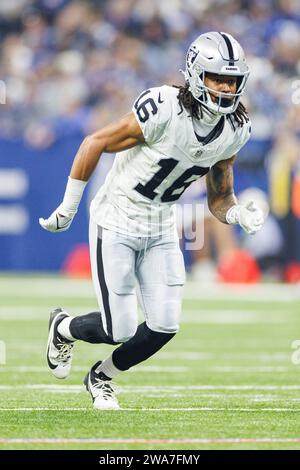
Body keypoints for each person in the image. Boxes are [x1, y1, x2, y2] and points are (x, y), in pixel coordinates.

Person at [40, 31, 264, 410]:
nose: (226, 88)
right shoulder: (164, 107)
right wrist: (69, 205)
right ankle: (62, 326)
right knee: (119, 328)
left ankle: (102, 377)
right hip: (117, 217)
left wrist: (238, 213)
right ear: (195, 74)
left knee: (164, 324)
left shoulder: (235, 129)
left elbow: (220, 198)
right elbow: (95, 141)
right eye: (217, 78)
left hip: (160, 225)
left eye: (232, 80)